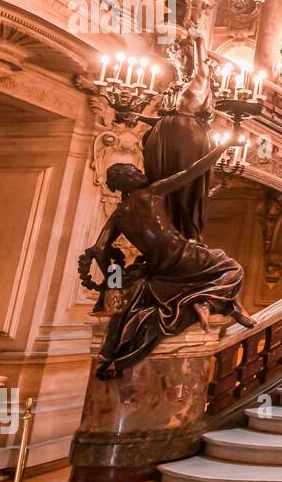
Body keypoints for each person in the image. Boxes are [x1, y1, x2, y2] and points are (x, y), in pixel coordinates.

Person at [83, 143, 255, 379]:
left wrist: (114, 282)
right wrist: (223, 146)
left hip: (159, 267)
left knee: (152, 293)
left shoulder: (119, 215)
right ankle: (205, 301)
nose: (140, 173)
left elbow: (101, 249)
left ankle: (203, 302)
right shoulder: (151, 193)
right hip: (185, 256)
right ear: (127, 181)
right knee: (231, 267)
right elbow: (191, 172)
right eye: (134, 172)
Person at [141, 27, 216, 240]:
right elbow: (163, 117)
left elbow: (204, 67)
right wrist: (134, 115)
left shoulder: (199, 82)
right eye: (175, 57)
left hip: (188, 139)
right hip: (164, 136)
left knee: (184, 183)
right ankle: (167, 230)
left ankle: (186, 235)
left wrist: (200, 41)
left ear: (191, 59)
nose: (178, 61)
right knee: (161, 182)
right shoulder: (175, 87)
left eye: (182, 57)